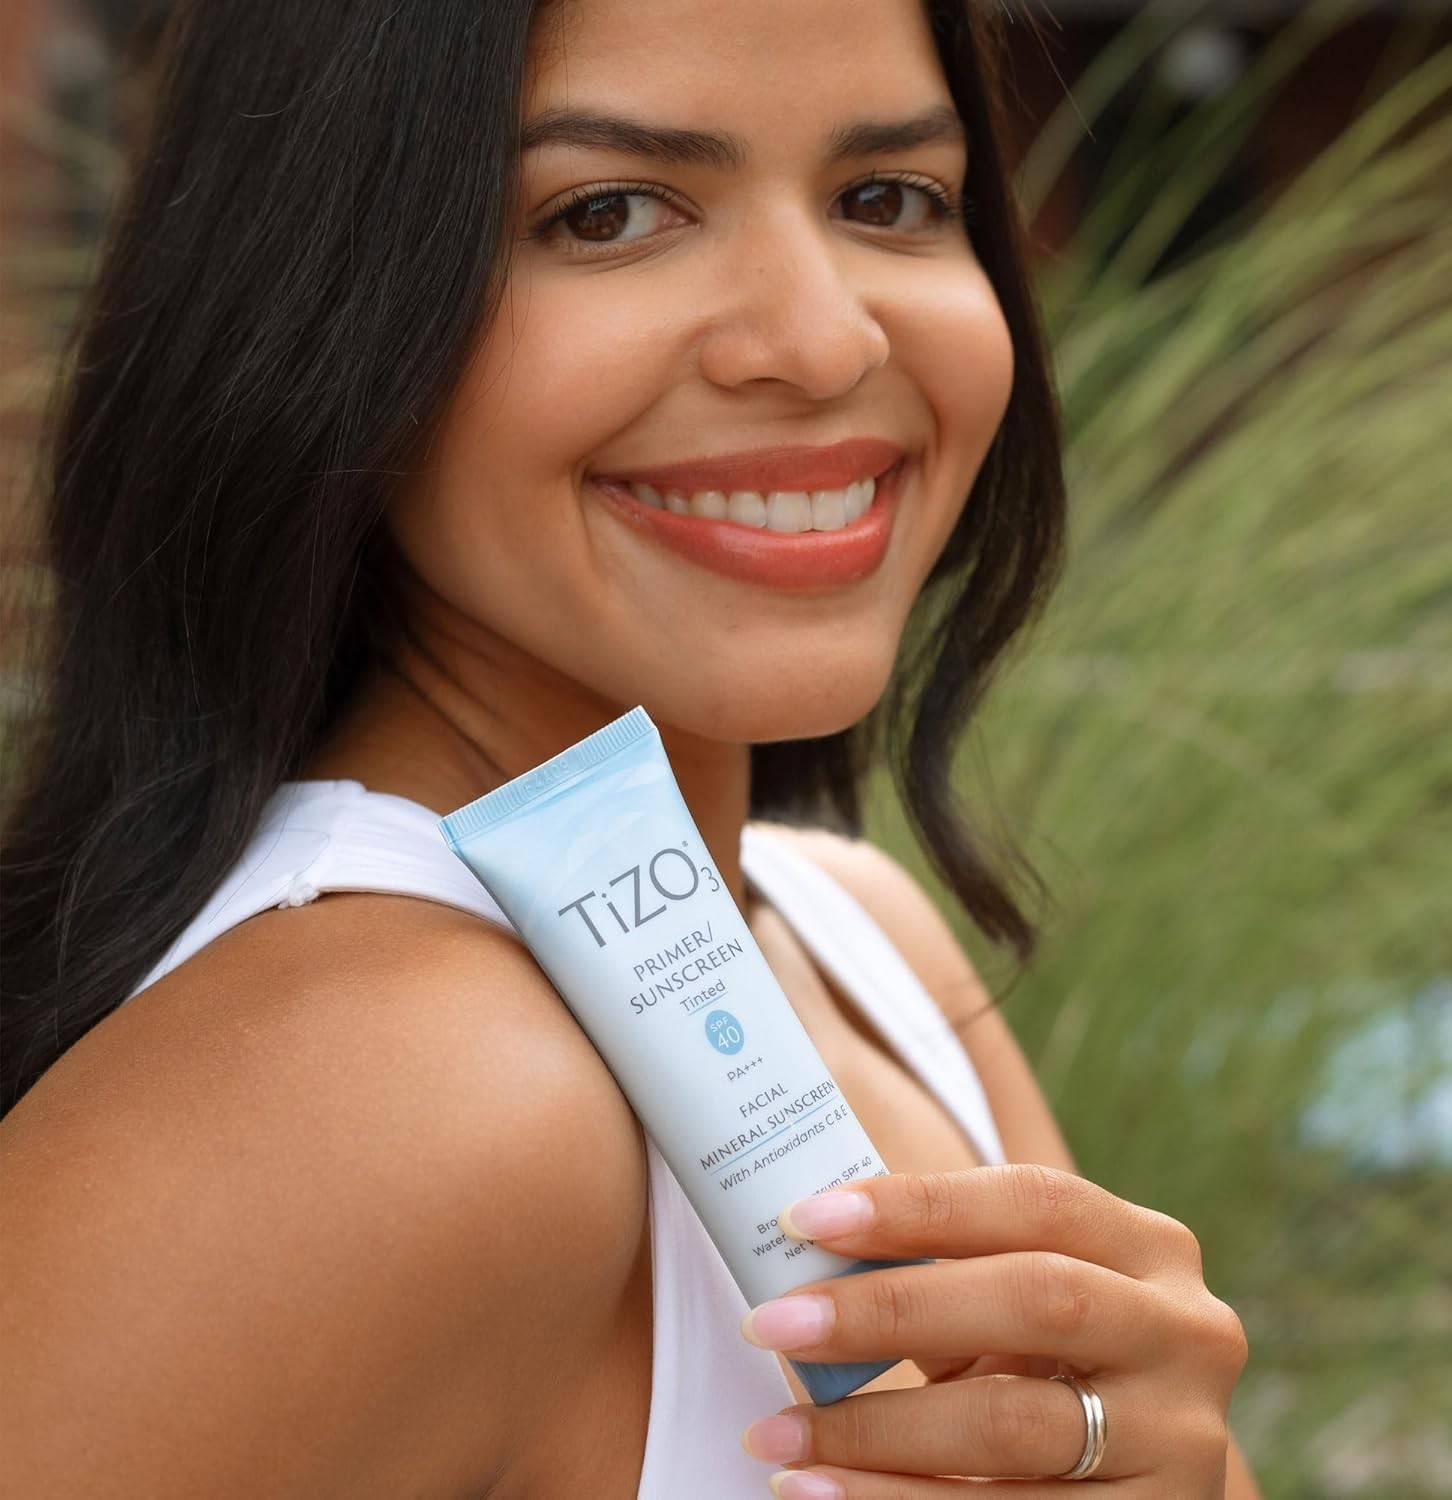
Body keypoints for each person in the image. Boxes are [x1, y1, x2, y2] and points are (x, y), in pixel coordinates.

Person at [0, 0, 1261, 1494]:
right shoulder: (405, 1089)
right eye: (606, 213)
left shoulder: (859, 935)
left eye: (888, 197)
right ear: (322, 296)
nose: (821, 340)